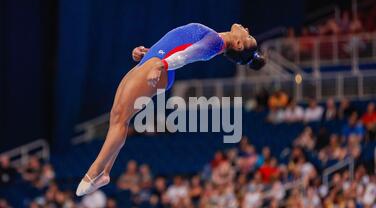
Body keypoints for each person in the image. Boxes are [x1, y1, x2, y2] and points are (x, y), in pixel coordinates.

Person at [76, 23, 266, 196]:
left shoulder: (216, 43)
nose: (247, 30)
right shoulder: (215, 38)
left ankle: (93, 173)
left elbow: (187, 55)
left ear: (239, 44)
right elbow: (177, 46)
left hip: (159, 66)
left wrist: (160, 64)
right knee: (117, 117)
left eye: (248, 36)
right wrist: (149, 53)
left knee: (120, 119)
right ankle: (105, 172)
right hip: (154, 61)